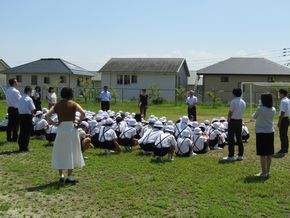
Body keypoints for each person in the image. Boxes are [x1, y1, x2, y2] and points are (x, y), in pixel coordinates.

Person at [45, 87, 85, 184]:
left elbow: (46, 116)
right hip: (71, 129)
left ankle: (61, 175)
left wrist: (54, 123)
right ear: (70, 94)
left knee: (60, 151)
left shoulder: (57, 105)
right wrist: (77, 122)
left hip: (61, 128)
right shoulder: (74, 104)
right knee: (71, 151)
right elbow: (83, 113)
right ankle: (70, 176)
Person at [253, 93, 276, 177]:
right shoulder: (273, 109)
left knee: (262, 154)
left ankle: (263, 172)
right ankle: (267, 171)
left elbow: (254, 117)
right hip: (270, 132)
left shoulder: (260, 109)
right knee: (269, 153)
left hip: (261, 132)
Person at [223, 88, 246, 161]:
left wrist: (228, 119)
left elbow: (230, 112)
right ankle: (240, 155)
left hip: (233, 121)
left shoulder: (233, 101)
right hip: (240, 121)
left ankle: (231, 156)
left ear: (234, 94)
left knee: (231, 139)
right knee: (239, 138)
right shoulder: (243, 102)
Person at [17, 86, 35, 152]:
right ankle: (25, 147)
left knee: (22, 131)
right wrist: (33, 115)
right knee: (27, 132)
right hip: (27, 116)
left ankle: (21, 146)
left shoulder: (20, 98)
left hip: (21, 116)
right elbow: (32, 109)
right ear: (29, 91)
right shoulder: (29, 99)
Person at [276, 89, 290, 156]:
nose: (278, 95)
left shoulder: (283, 101)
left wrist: (279, 121)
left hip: (284, 119)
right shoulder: (288, 100)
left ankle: (283, 149)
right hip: (287, 119)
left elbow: (282, 112)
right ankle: (285, 148)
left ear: (282, 94)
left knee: (282, 135)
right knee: (285, 135)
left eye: (279, 93)